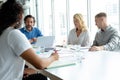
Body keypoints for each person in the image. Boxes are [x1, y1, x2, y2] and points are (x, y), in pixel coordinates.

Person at [0, 0, 59, 80]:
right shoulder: (13, 33)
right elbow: (40, 64)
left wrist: (21, 71)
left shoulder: (3, 32)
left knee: (39, 76)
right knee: (42, 77)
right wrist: (54, 57)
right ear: (20, 16)